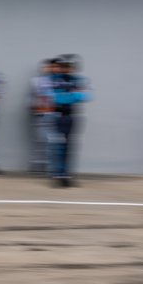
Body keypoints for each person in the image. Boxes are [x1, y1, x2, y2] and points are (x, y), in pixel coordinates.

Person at [49, 55, 90, 187]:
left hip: (72, 116)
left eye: (68, 66)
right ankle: (59, 174)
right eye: (63, 66)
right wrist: (72, 96)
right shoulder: (54, 80)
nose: (66, 69)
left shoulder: (79, 80)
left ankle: (68, 174)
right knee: (59, 147)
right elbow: (54, 98)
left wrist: (67, 96)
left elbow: (87, 95)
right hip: (58, 116)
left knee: (70, 147)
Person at [28, 58, 59, 175]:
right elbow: (31, 96)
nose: (48, 69)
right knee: (39, 140)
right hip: (40, 115)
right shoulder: (36, 81)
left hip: (54, 115)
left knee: (52, 141)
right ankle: (37, 166)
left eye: (50, 67)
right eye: (45, 67)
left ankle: (51, 167)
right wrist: (31, 105)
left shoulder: (58, 81)